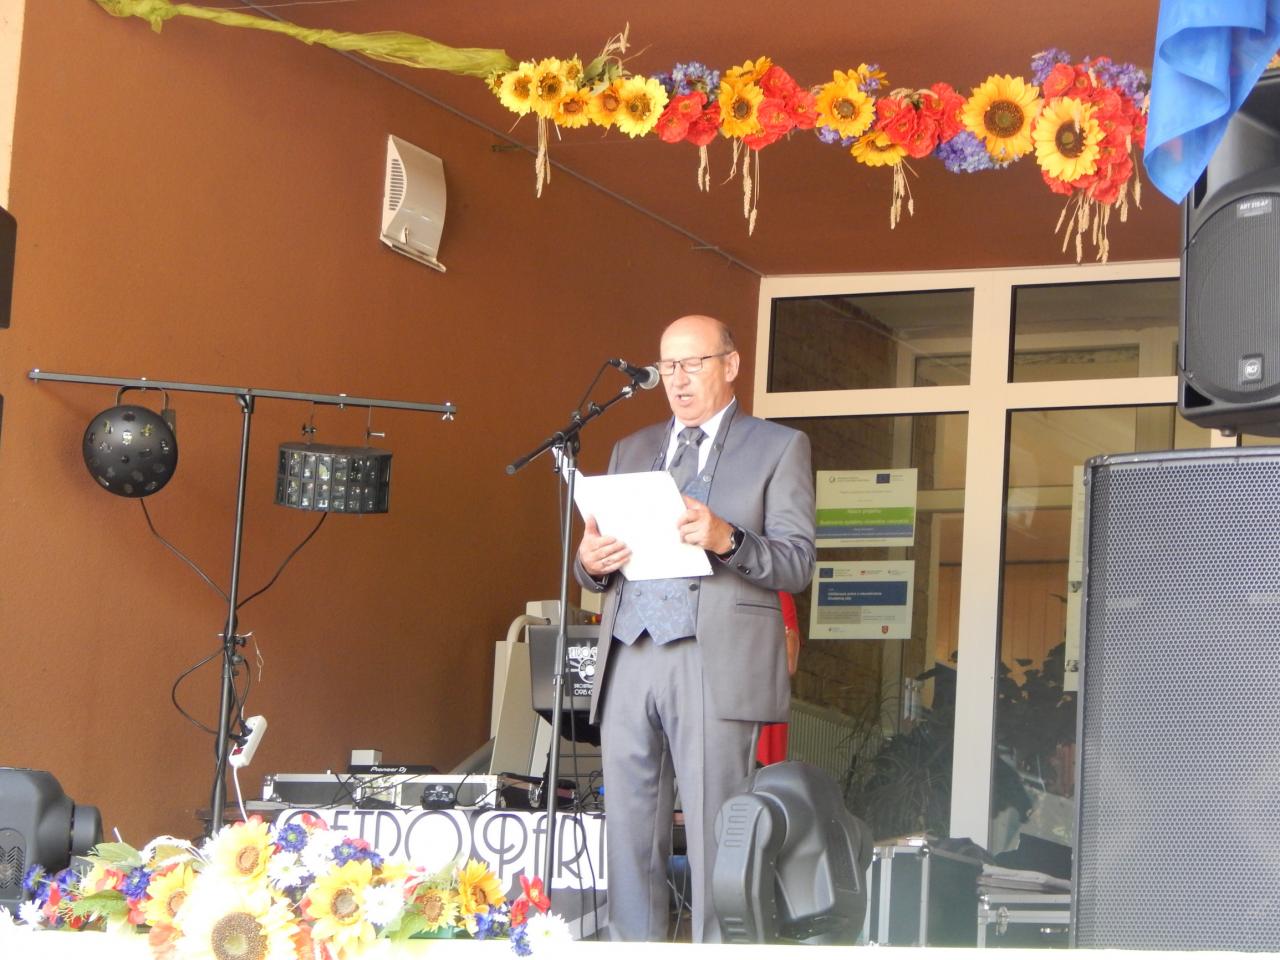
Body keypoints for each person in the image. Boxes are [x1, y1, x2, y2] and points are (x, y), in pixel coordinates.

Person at [575, 314, 816, 942]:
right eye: (668, 367)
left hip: (715, 659)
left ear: (730, 365)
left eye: (693, 364)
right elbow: (601, 559)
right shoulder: (631, 448)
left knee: (715, 834)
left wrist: (727, 538)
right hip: (630, 653)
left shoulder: (778, 446)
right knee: (628, 836)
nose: (678, 380)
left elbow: (797, 563)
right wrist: (590, 564)